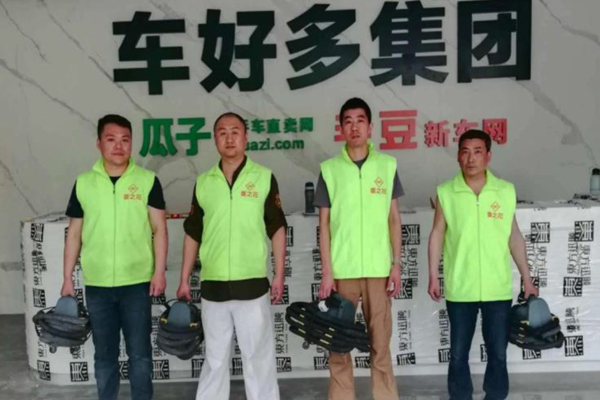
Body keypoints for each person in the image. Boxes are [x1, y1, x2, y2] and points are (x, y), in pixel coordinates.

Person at [176, 112, 287, 400]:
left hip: (252, 286)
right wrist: (184, 279)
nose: (229, 138)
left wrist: (279, 274)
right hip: (213, 288)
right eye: (222, 132)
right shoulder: (204, 182)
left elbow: (277, 228)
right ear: (215, 139)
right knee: (214, 360)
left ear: (246, 138)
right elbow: (192, 232)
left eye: (235, 131)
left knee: (258, 359)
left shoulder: (263, 178)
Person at [61, 114, 167, 400]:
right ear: (99, 143)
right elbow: (74, 233)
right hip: (97, 285)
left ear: (132, 143)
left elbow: (159, 229)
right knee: (104, 356)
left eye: (125, 140)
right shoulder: (84, 183)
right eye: (111, 139)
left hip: (137, 283)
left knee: (140, 354)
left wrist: (159, 272)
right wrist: (67, 278)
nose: (119, 146)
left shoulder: (147, 181)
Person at [427, 129, 539, 400]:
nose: (471, 158)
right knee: (458, 354)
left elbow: (514, 236)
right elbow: (437, 234)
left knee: (498, 353)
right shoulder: (446, 192)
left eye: (477, 152)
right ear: (458, 157)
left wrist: (527, 278)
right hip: (460, 287)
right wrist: (433, 275)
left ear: (488, 155)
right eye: (465, 152)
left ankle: (495, 396)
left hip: (496, 287)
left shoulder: (505, 191)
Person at [315, 98, 403, 400]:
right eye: (348, 121)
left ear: (370, 127)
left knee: (381, 345)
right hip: (343, 272)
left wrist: (396, 264)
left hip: (379, 270)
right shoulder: (329, 170)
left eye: (360, 121)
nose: (354, 127)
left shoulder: (387, 166)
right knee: (338, 345)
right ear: (341, 128)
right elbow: (324, 225)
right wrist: (327, 273)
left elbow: (394, 219)